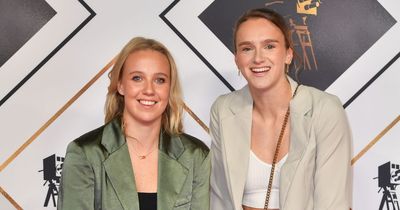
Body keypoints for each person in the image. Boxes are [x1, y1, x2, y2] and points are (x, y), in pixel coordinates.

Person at [209, 8, 352, 210]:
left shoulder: (325, 109)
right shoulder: (223, 109)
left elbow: (332, 204)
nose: (258, 58)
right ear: (237, 59)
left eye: (269, 46)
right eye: (247, 48)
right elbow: (219, 198)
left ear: (288, 55)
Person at [57, 37, 210, 210]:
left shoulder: (196, 156)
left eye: (160, 80)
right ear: (121, 85)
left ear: (169, 88)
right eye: (137, 78)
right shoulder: (85, 154)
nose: (149, 90)